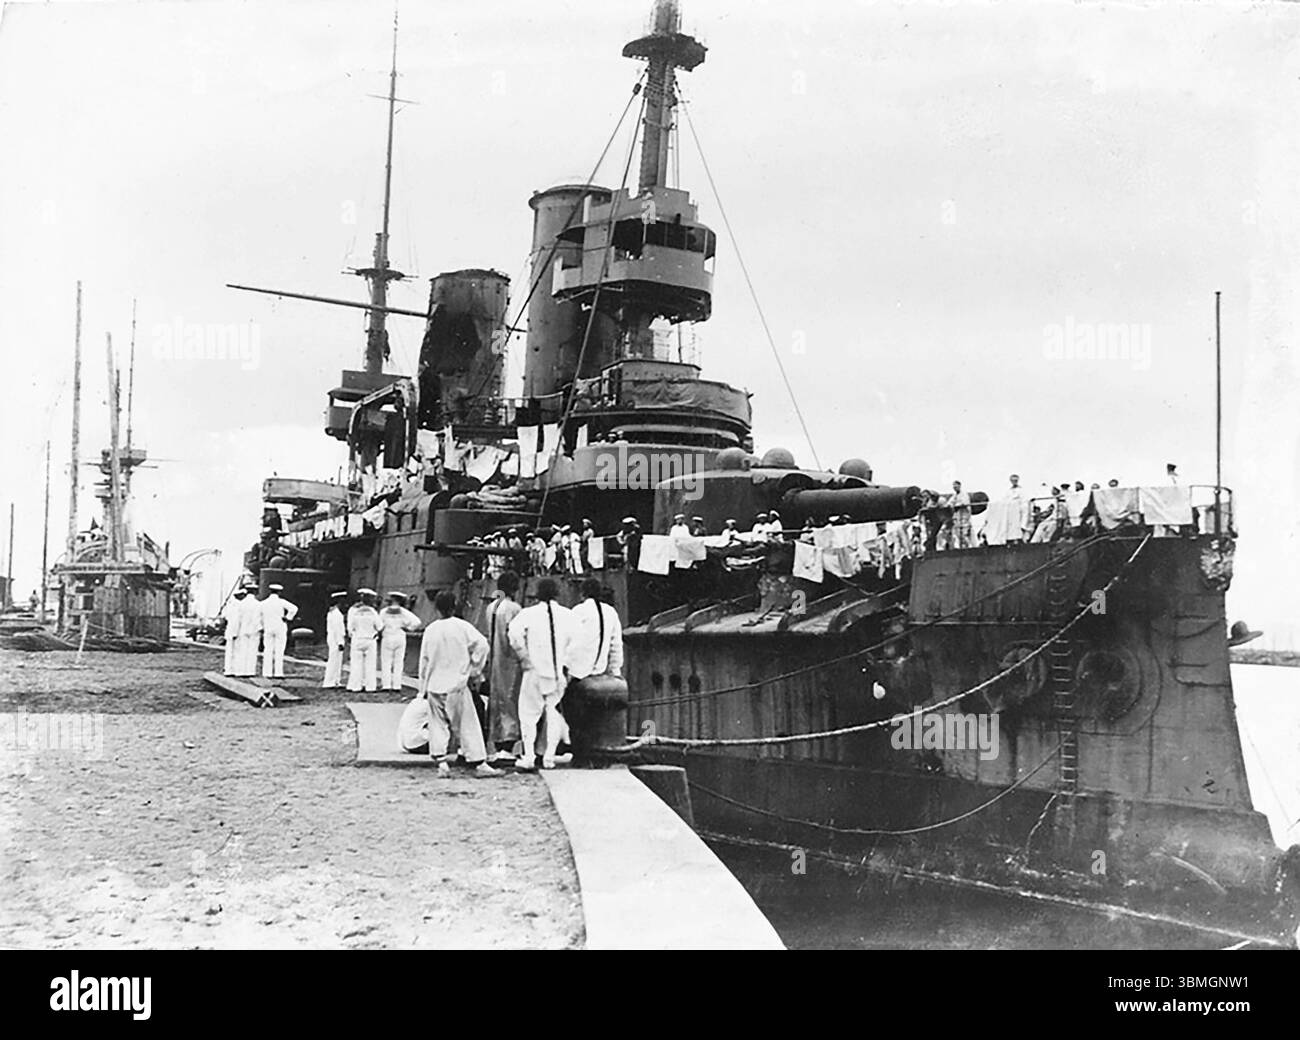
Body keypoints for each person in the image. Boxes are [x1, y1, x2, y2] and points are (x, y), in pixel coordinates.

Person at [418, 590, 502, 778]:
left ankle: (441, 763)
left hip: (434, 685)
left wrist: (421, 688)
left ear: (436, 608)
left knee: (437, 724)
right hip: (456, 684)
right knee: (467, 724)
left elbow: (423, 661)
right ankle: (479, 762)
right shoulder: (462, 627)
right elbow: (482, 645)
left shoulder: (430, 630)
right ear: (454, 606)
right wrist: (474, 670)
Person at [508, 578, 574, 771]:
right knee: (553, 714)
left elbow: (513, 633)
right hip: (556, 672)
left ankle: (528, 756)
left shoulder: (528, 613)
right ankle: (549, 757)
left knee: (528, 714)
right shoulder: (568, 615)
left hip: (534, 670)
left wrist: (523, 656)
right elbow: (578, 642)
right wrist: (567, 664)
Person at [486, 571, 523, 765]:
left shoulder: (491, 607)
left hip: (495, 659)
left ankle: (497, 743)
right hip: (511, 661)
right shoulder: (514, 608)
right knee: (511, 701)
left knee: (496, 700)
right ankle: (508, 744)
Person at [568, 577, 624, 684]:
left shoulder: (578, 611)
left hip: (577, 673)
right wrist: (615, 671)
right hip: (599, 672)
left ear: (582, 594)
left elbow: (568, 642)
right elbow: (616, 645)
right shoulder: (611, 612)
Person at [378, 591, 422, 692]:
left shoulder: (384, 612)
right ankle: (397, 685)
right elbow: (417, 622)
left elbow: (380, 626)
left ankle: (386, 685)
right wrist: (408, 628)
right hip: (400, 636)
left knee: (386, 661)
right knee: (399, 662)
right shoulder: (404, 612)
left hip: (388, 636)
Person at [346, 589, 383, 692]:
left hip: (357, 639)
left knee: (356, 664)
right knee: (370, 664)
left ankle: (355, 686)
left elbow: (350, 627)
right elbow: (380, 626)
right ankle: (370, 687)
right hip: (370, 640)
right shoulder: (373, 612)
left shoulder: (354, 611)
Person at [259, 583, 298, 679]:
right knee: (279, 650)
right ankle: (278, 673)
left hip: (268, 627)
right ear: (279, 592)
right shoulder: (282, 602)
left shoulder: (263, 603)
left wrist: (262, 625)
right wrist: (288, 618)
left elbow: (259, 615)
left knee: (268, 650)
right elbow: (294, 608)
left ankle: (267, 672)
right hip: (280, 627)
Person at [234, 584, 262, 676]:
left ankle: (240, 671)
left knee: (242, 650)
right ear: (254, 592)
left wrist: (235, 631)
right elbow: (258, 618)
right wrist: (260, 628)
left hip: (243, 629)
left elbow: (237, 618)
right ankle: (250, 671)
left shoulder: (241, 604)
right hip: (254, 630)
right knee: (252, 651)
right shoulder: (258, 604)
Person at [323, 590, 348, 689]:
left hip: (334, 638)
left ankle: (336, 680)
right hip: (335, 639)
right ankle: (329, 681)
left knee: (338, 660)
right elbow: (337, 629)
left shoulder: (333, 612)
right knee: (334, 660)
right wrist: (340, 642)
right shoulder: (336, 614)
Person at [221, 588, 247, 676]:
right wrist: (235, 633)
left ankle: (228, 669)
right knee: (236, 652)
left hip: (229, 631)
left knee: (229, 652)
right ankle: (235, 670)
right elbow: (236, 620)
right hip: (235, 632)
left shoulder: (230, 605)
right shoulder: (238, 606)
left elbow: (224, 617)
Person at [1006, 474, 1031, 543]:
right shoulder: (1008, 491)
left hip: (1019, 511)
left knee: (1021, 530)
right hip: (1011, 513)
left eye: (1015, 480)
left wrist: (1023, 524)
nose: (1014, 482)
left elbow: (1025, 505)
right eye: (1013, 480)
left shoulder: (1021, 490)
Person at [948, 481, 972, 549]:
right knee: (957, 532)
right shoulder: (955, 495)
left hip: (964, 516)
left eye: (956, 486)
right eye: (954, 487)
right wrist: (950, 505)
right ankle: (961, 546)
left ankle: (968, 546)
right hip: (957, 516)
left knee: (964, 532)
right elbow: (950, 502)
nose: (955, 488)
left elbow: (964, 503)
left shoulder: (964, 494)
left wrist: (956, 505)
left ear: (959, 486)